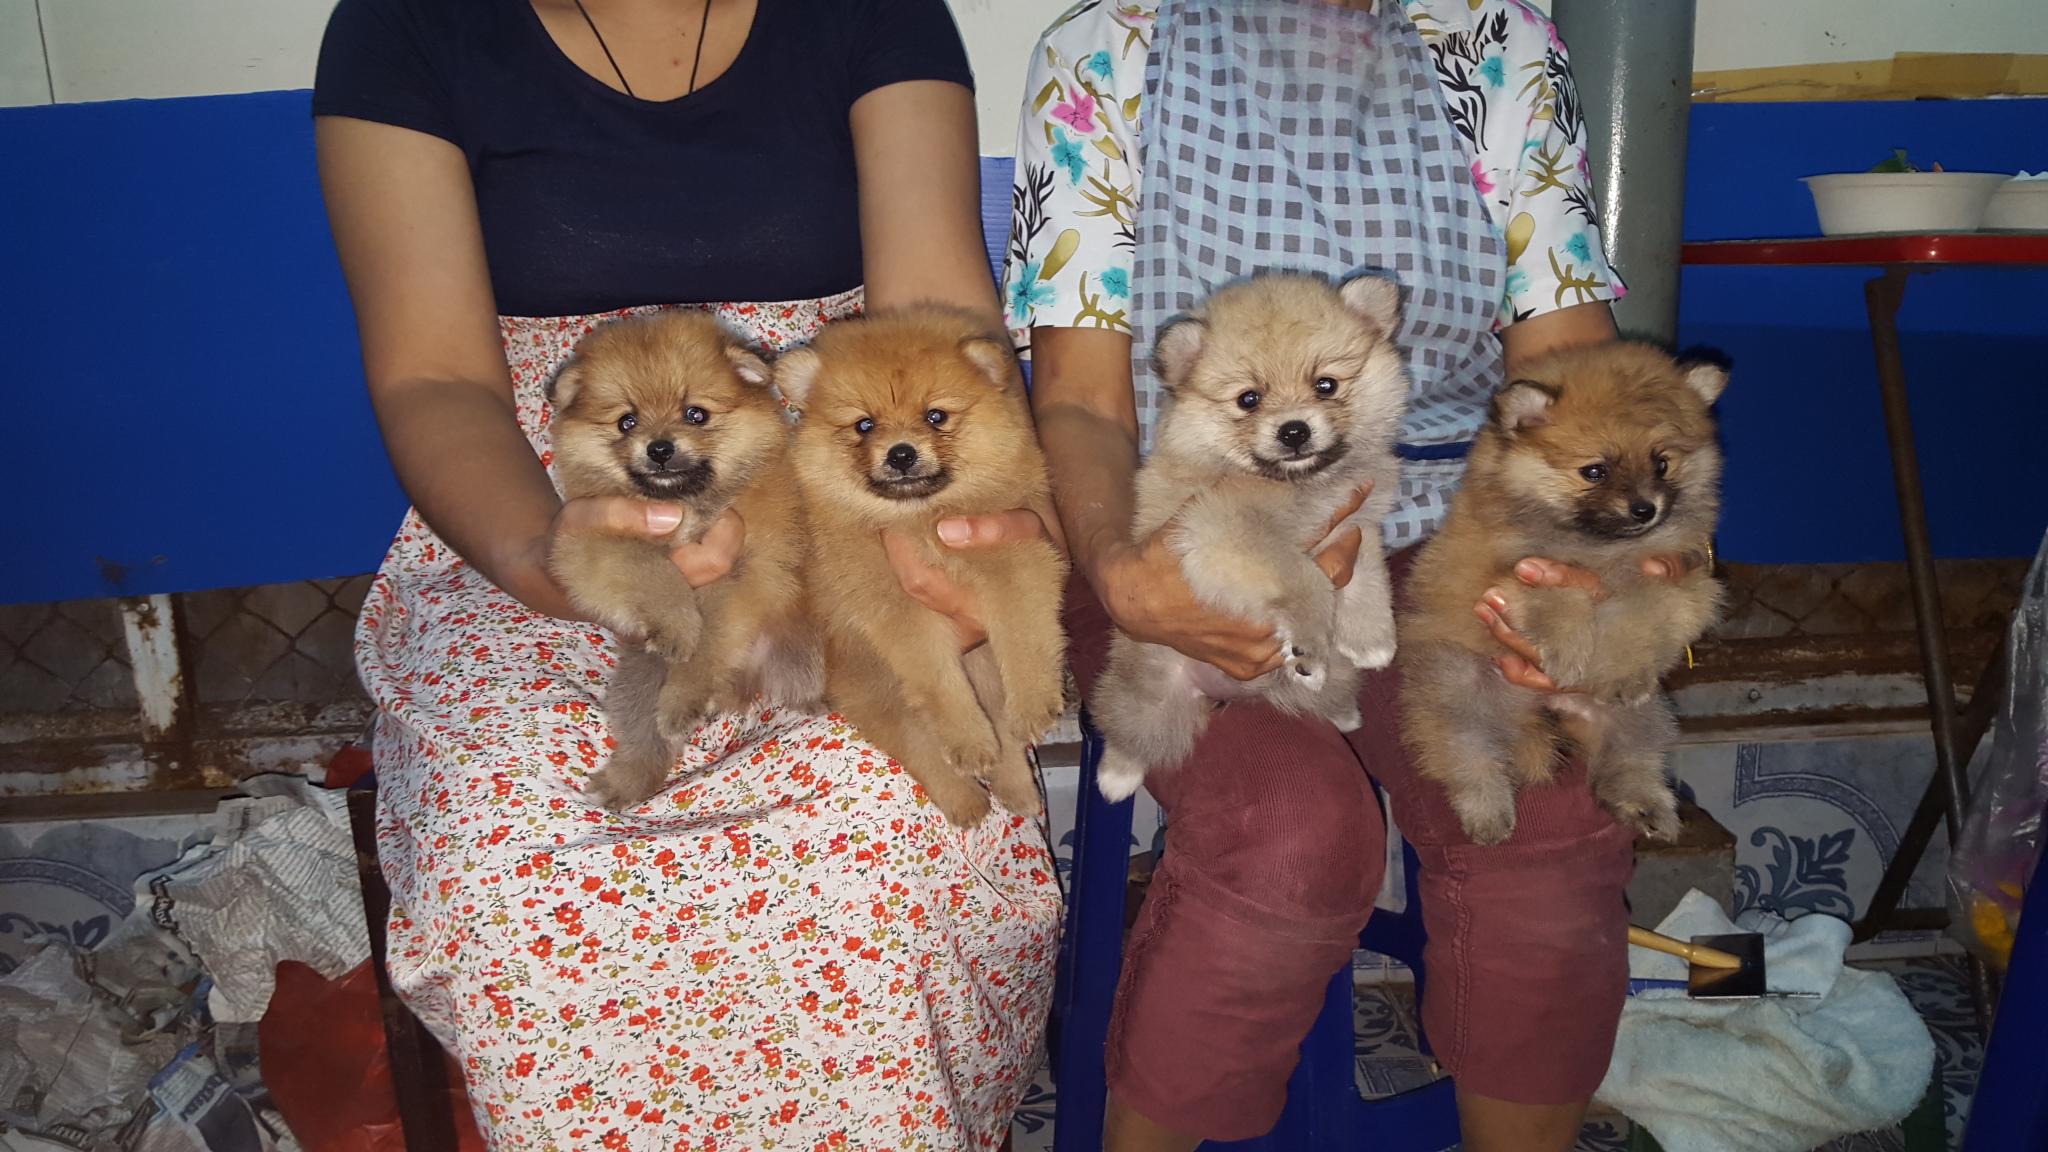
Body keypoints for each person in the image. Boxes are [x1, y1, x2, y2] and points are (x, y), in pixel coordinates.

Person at [313, 0, 1059, 1145]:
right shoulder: (408, 27)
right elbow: (434, 379)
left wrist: (964, 542)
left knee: (877, 832)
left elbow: (941, 320)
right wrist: (553, 561)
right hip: (538, 508)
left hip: (844, 477)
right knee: (511, 850)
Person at [1006, 1, 1690, 1150]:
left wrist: (1622, 556)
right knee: (1289, 830)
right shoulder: (1105, 52)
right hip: (1176, 521)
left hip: (1444, 522)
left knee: (1547, 806)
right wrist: (1124, 576)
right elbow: (1078, 402)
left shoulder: (1493, 44)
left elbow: (1570, 366)